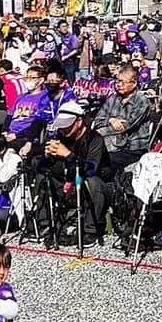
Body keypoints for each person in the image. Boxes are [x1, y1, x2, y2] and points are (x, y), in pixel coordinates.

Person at [40, 99, 112, 241]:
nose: (63, 130)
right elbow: (46, 167)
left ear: (79, 122)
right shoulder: (61, 138)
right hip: (69, 182)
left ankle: (90, 230)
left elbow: (91, 169)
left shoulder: (94, 139)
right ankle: (45, 224)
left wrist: (68, 155)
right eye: (60, 127)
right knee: (43, 177)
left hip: (98, 187)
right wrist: (48, 158)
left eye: (67, 126)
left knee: (91, 182)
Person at [92, 66, 152, 167]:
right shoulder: (113, 99)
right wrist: (110, 120)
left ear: (134, 83)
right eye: (118, 81)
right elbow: (98, 120)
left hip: (133, 148)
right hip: (111, 144)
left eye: (123, 82)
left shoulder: (142, 101)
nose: (119, 85)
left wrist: (99, 133)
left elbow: (126, 125)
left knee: (103, 160)